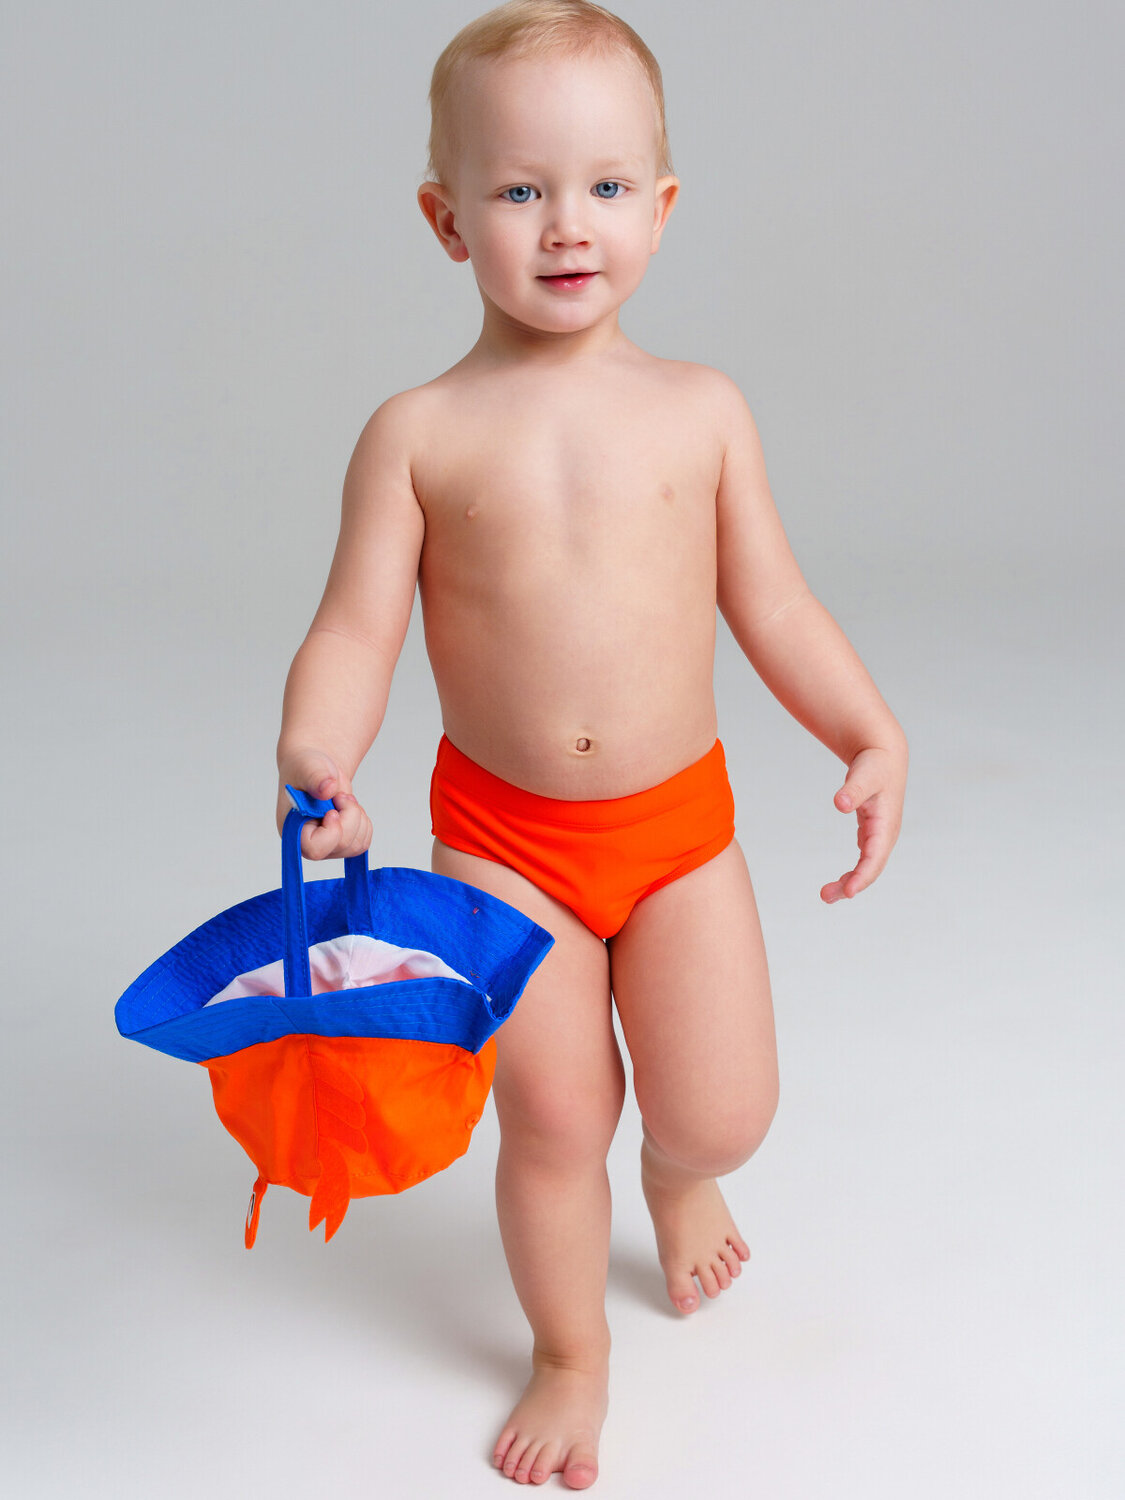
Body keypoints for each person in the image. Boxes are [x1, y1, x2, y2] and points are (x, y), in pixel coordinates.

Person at [274, 0, 908, 1487]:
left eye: (607, 186)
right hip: (502, 843)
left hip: (675, 831)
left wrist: (866, 728)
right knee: (555, 1117)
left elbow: (774, 602)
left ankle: (679, 1183)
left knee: (721, 1110)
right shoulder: (417, 433)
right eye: (519, 190)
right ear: (447, 221)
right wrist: (318, 759)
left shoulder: (702, 413)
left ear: (661, 208)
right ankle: (571, 1352)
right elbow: (355, 628)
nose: (569, 225)